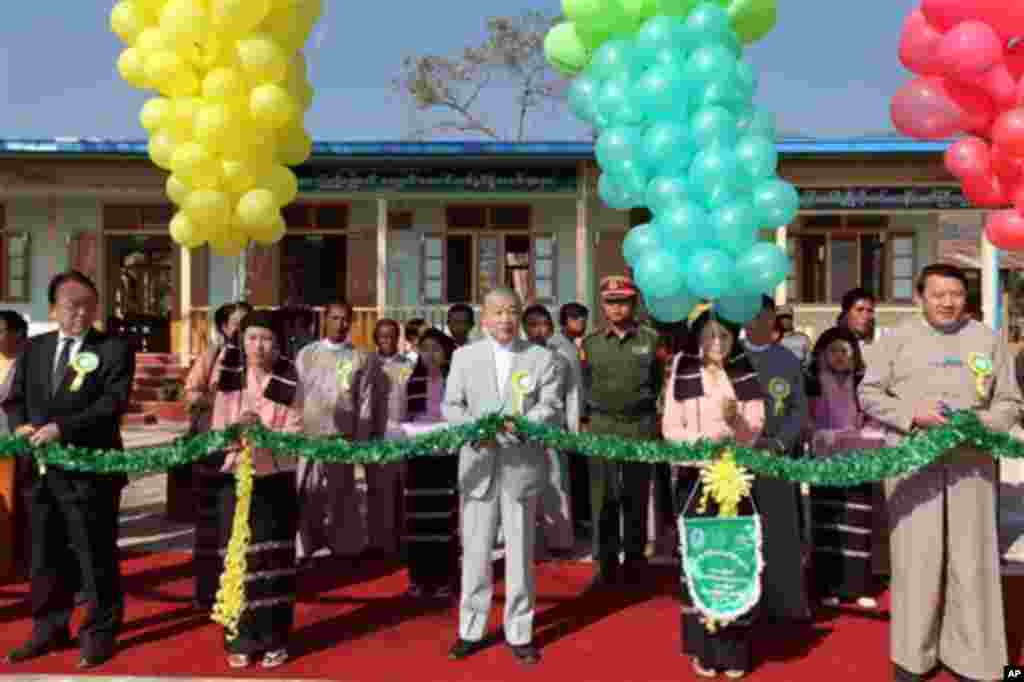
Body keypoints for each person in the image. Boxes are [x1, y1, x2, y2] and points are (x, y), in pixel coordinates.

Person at [858, 263, 1020, 682]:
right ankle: (914, 655)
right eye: (938, 294)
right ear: (919, 297)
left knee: (973, 557)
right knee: (917, 557)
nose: (948, 302)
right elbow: (869, 393)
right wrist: (913, 413)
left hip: (972, 463)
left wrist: (980, 423)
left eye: (956, 294)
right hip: (913, 463)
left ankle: (975, 656)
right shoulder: (896, 339)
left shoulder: (988, 339)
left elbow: (1009, 402)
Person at [4, 271, 135, 668]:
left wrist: (62, 429)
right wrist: (21, 425)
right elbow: (15, 399)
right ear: (53, 309)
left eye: (88, 305)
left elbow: (111, 404)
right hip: (41, 474)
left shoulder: (114, 349)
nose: (80, 312)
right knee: (44, 555)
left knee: (94, 554)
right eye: (71, 305)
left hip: (90, 472)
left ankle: (99, 633)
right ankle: (48, 630)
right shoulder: (35, 348)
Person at [444, 288, 563, 666]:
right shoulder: (464, 356)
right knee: (475, 553)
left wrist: (526, 423)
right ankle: (471, 628)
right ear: (485, 319)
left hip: (520, 465)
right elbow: (451, 404)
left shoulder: (541, 357)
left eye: (512, 312)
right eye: (498, 312)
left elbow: (552, 405)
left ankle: (520, 630)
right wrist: (472, 427)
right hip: (478, 464)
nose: (505, 319)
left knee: (520, 554)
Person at [663, 310, 765, 679]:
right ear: (697, 338)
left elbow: (755, 427)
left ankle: (734, 648)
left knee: (735, 559)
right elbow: (671, 427)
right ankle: (704, 649)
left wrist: (735, 419)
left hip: (736, 477)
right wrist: (702, 450)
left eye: (724, 336)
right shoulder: (682, 366)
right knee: (698, 560)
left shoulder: (743, 368)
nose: (717, 344)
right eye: (709, 336)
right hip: (695, 476)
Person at [209, 310, 303, 669]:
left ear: (278, 344)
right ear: (241, 342)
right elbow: (218, 428)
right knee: (238, 559)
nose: (258, 346)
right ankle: (240, 638)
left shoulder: (291, 380)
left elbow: (295, 430)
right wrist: (236, 429)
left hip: (274, 477)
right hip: (235, 478)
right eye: (251, 338)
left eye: (266, 339)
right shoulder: (230, 378)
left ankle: (274, 639)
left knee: (272, 559)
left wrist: (261, 431)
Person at [582, 276, 662, 587]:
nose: (617, 307)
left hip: (638, 425)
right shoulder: (591, 343)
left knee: (636, 495)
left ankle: (635, 562)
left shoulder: (651, 340)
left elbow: (656, 382)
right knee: (603, 497)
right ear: (603, 306)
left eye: (623, 301)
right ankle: (605, 564)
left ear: (633, 303)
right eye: (611, 301)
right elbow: (586, 383)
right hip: (602, 425)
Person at [739, 295, 812, 624]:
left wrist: (781, 443)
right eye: (750, 315)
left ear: (773, 320)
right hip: (735, 462)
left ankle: (785, 604)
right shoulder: (730, 358)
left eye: (764, 316)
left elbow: (799, 410)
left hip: (777, 457)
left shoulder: (787, 359)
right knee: (741, 532)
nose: (757, 322)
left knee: (780, 533)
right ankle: (740, 602)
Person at [806, 326, 884, 610]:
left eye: (845, 351)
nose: (839, 357)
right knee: (829, 523)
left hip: (857, 457)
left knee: (858, 522)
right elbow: (806, 418)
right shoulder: (812, 381)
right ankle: (828, 586)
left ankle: (859, 586)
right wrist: (818, 432)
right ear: (823, 354)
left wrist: (868, 429)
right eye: (834, 351)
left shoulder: (864, 381)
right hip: (825, 459)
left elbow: (875, 416)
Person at [295, 301, 376, 562]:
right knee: (308, 491)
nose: (340, 324)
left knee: (342, 494)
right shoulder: (307, 354)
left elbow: (365, 401)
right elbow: (296, 395)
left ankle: (345, 546)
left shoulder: (360, 357)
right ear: (325, 319)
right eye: (334, 318)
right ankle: (305, 545)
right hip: (309, 434)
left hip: (342, 436)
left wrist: (361, 440)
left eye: (345, 319)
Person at [184, 301, 250, 610]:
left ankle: (237, 587)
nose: (242, 329)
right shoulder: (213, 356)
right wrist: (216, 402)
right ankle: (206, 590)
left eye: (247, 323)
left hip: (245, 452)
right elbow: (191, 393)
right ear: (224, 327)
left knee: (239, 522)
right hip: (211, 449)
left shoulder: (258, 356)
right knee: (210, 522)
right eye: (237, 323)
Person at [402, 328, 459, 598]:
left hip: (446, 455)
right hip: (419, 455)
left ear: (446, 353)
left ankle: (444, 577)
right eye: (424, 349)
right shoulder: (411, 381)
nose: (430, 354)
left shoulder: (454, 380)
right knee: (417, 517)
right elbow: (404, 417)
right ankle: (419, 576)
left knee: (443, 517)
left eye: (436, 349)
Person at [523, 304, 577, 555]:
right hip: (521, 432)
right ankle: (524, 539)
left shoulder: (561, 360)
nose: (538, 330)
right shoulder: (516, 358)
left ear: (551, 328)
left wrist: (572, 430)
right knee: (522, 484)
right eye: (532, 324)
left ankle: (560, 539)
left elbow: (572, 396)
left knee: (555, 482)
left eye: (543, 324)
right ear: (524, 328)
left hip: (553, 430)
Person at [367, 318, 414, 557]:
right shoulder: (369, 365)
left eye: (392, 336)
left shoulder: (408, 365)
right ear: (376, 338)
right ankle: (379, 543)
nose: (388, 340)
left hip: (403, 436)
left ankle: (402, 540)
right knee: (378, 492)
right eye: (383, 336)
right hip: (376, 435)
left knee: (401, 490)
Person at [555, 303, 590, 535]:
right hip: (566, 417)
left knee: (580, 470)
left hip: (581, 415)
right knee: (573, 473)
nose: (581, 322)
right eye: (575, 318)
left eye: (583, 318)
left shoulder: (576, 346)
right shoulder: (558, 346)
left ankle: (580, 520)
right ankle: (574, 522)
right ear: (564, 321)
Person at [0, 311, 28, 578]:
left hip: (18, 443)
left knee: (20, 501)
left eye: (1, 330)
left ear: (17, 333)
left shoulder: (28, 363)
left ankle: (19, 558)